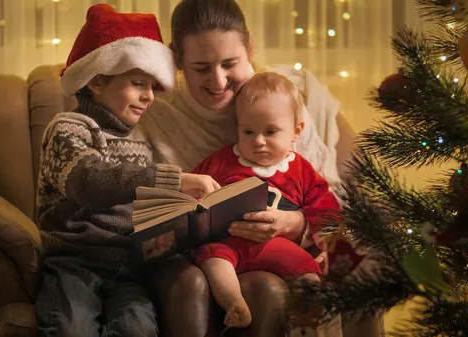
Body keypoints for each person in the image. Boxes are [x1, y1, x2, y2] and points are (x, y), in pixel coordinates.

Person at [138, 1, 382, 336]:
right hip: (220, 250)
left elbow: (322, 189)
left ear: (249, 47)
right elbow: (154, 203)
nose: (218, 81)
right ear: (178, 60)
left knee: (356, 272)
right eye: (201, 68)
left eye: (230, 63)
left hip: (290, 241)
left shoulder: (281, 99)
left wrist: (295, 223)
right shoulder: (158, 116)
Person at [33, 4, 218, 337]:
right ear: (97, 82)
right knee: (70, 327)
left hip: (128, 267)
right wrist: (174, 179)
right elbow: (90, 180)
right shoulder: (68, 129)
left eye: (152, 86)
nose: (149, 96)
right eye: (137, 83)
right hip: (74, 262)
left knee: (138, 327)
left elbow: (144, 205)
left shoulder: (141, 137)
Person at [191, 72, 341, 329]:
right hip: (228, 243)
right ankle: (234, 303)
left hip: (275, 245)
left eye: (271, 132)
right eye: (248, 131)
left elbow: (325, 207)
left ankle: (308, 315)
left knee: (308, 272)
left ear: (296, 131)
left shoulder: (300, 169)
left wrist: (324, 246)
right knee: (212, 258)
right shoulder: (223, 160)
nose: (258, 141)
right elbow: (195, 187)